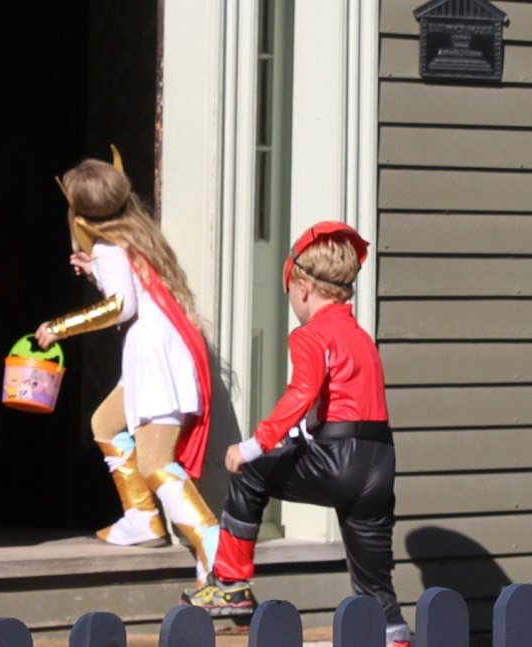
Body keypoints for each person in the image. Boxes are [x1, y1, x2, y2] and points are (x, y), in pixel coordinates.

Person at [183, 222, 411, 647]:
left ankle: (230, 585)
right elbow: (347, 406)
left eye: (289, 290)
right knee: (375, 587)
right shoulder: (361, 339)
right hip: (379, 465)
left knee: (251, 473)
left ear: (303, 286)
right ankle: (395, 638)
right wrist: (305, 436)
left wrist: (254, 445)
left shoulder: (311, 335)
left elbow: (302, 392)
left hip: (339, 459)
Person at [35, 147, 219, 588]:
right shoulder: (133, 234)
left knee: (157, 461)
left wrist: (60, 327)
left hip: (153, 356)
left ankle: (217, 555)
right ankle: (141, 517)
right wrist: (97, 270)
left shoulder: (106, 246)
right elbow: (132, 290)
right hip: (157, 349)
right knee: (105, 423)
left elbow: (121, 306)